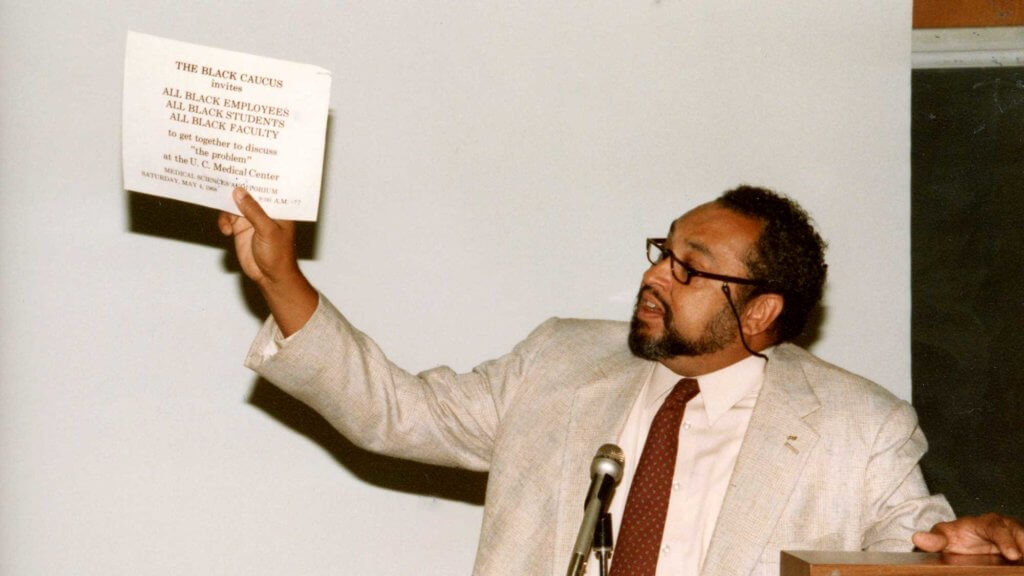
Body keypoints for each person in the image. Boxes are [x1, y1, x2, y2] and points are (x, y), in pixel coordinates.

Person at [219, 184, 1024, 576]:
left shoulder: (857, 426)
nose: (656, 277)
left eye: (690, 269)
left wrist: (961, 549)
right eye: (662, 252)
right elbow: (392, 414)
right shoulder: (558, 360)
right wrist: (282, 279)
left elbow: (908, 548)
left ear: (760, 311)